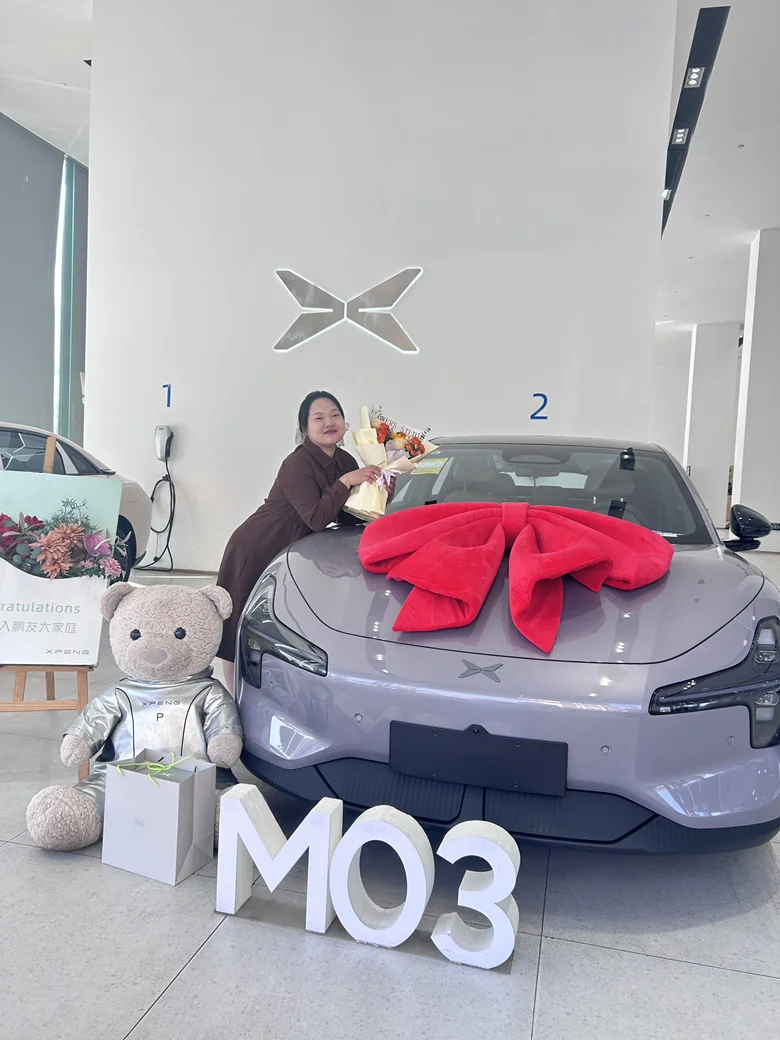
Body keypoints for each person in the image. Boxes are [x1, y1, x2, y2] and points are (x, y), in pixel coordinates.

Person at [215, 391, 381, 692]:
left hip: (294, 548)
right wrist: (346, 482)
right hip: (257, 545)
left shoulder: (344, 460)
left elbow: (345, 514)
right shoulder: (297, 464)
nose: (329, 422)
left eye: (335, 415)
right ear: (305, 428)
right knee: (238, 628)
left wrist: (379, 489)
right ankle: (233, 700)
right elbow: (316, 518)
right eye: (319, 418)